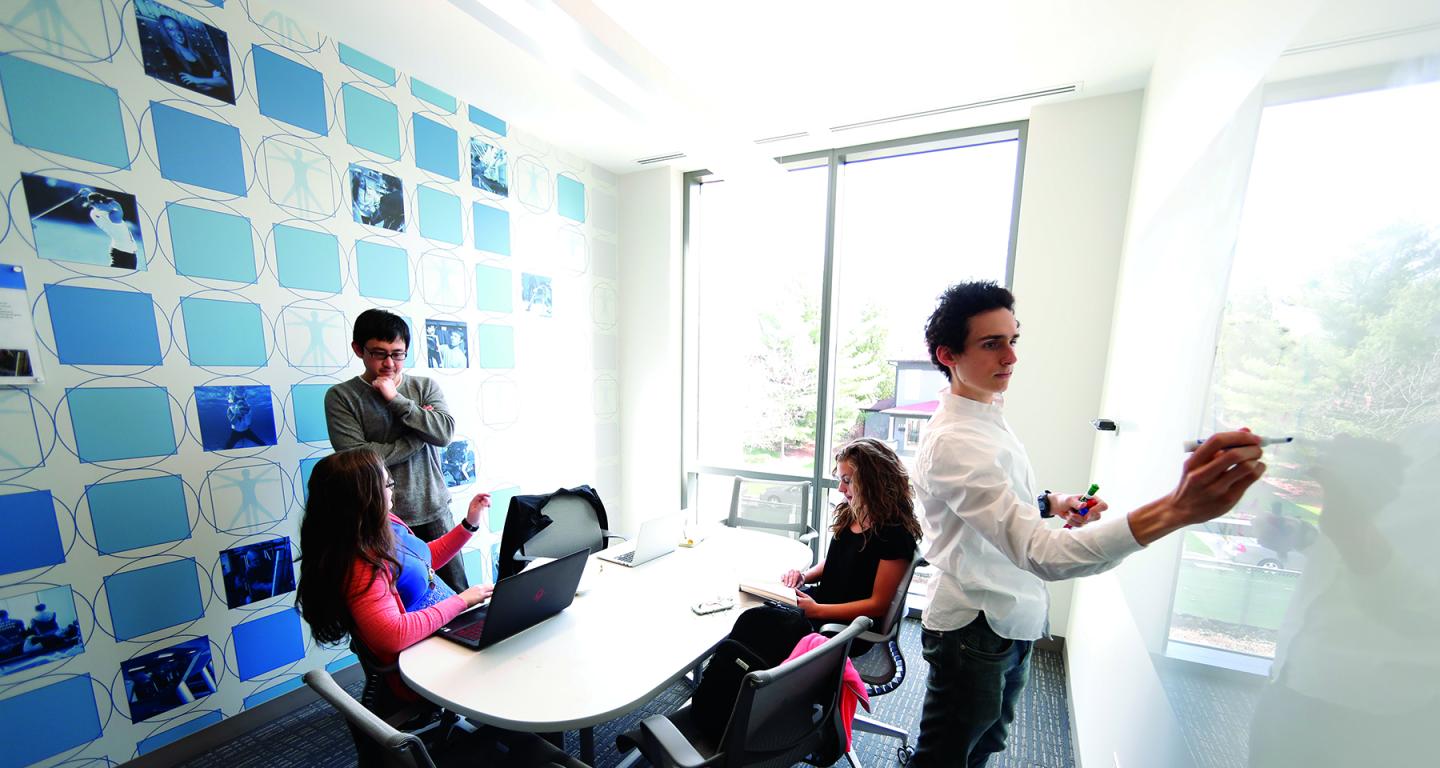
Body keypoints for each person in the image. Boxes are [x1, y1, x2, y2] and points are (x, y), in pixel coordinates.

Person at [910, 281, 1266, 767]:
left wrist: (1053, 502)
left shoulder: (985, 415)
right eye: (992, 344)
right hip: (975, 626)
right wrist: (1176, 509)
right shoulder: (955, 440)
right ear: (948, 354)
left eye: (1014, 340)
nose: (1010, 357)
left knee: (986, 744)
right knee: (945, 758)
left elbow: (993, 504)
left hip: (1010, 618)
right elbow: (1041, 554)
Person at [295, 448, 492, 712]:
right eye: (386, 483)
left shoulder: (384, 523)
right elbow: (393, 635)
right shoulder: (360, 564)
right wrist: (461, 601)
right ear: (363, 496)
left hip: (443, 636)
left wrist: (469, 524)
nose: (391, 489)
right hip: (421, 660)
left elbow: (420, 561)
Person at [325, 309, 468, 592]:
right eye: (379, 353)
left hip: (434, 509)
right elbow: (359, 459)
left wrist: (396, 400)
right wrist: (418, 436)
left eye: (398, 354)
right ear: (358, 349)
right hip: (382, 519)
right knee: (400, 601)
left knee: (458, 595)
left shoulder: (424, 387)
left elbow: (443, 433)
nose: (390, 363)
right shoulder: (341, 397)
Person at [779, 437, 922, 655]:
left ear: (873, 482)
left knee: (767, 629)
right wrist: (804, 576)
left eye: (847, 480)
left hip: (848, 628)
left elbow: (878, 605)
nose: (840, 488)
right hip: (823, 606)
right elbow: (837, 562)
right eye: (840, 479)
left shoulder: (894, 535)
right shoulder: (851, 513)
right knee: (758, 615)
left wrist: (817, 611)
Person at [154, 14, 233, 102]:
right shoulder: (169, 54)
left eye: (178, 28)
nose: (177, 33)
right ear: (165, 32)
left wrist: (197, 80)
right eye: (170, 29)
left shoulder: (202, 55)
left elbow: (224, 82)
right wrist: (213, 81)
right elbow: (191, 86)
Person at [83, 192, 139, 269]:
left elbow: (95, 202)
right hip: (125, 253)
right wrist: (102, 198)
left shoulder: (93, 213)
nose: (109, 205)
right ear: (97, 205)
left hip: (119, 250)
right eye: (106, 203)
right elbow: (118, 206)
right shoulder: (113, 216)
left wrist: (89, 195)